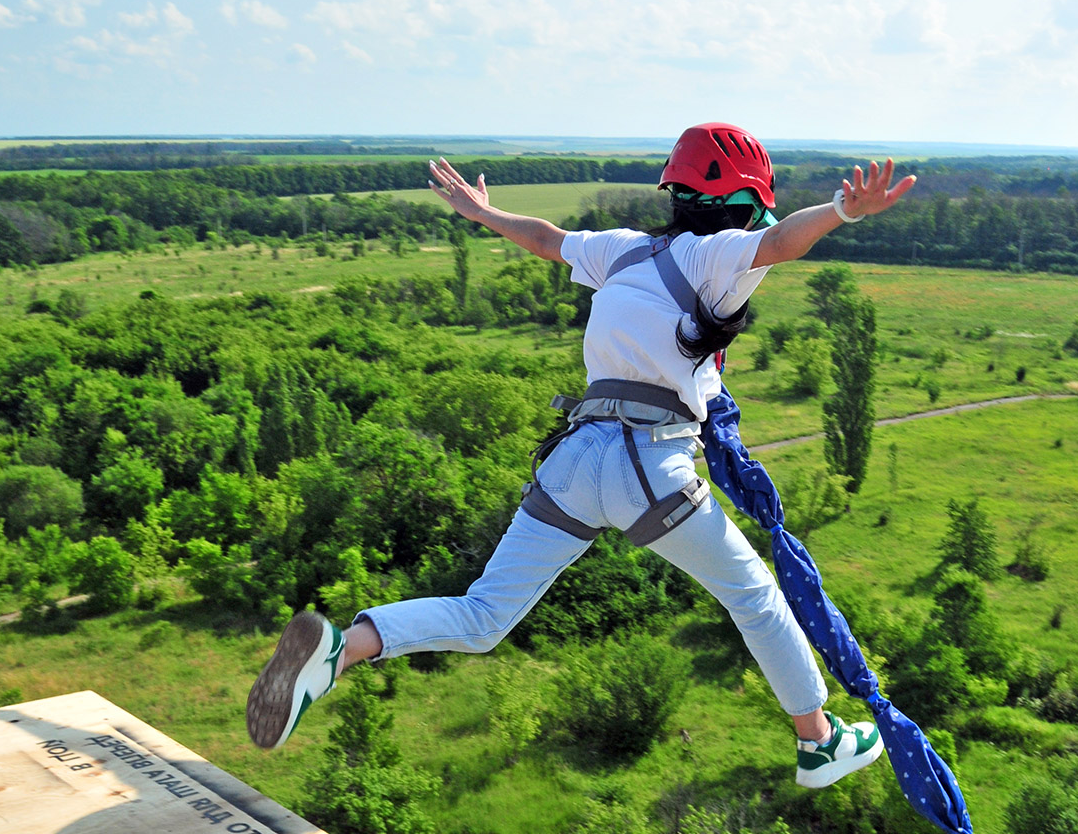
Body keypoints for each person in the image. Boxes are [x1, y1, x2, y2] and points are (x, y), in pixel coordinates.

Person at [247, 123, 916, 790]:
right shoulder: (718, 256)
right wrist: (840, 211)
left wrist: (482, 214)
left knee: (482, 616)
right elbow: (781, 241)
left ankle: (341, 651)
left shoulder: (623, 250)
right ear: (742, 200)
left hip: (574, 458)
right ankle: (818, 743)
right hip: (647, 465)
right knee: (755, 599)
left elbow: (543, 238)